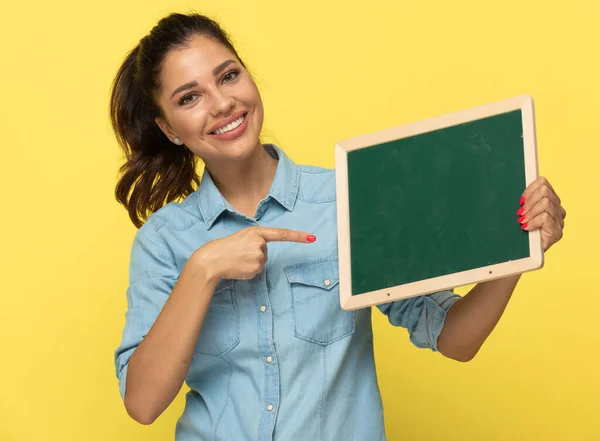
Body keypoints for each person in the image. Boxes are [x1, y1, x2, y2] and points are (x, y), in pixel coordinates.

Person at [111, 12, 566, 441]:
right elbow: (144, 403)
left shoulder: (349, 200)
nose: (223, 102)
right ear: (169, 129)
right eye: (189, 98)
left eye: (228, 75)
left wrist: (517, 251)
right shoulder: (165, 241)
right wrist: (203, 268)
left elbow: (454, 338)